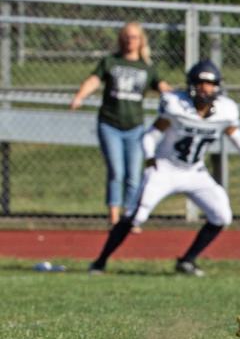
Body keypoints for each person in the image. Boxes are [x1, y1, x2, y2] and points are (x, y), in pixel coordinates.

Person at [87, 60, 240, 276]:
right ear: (192, 85)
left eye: (210, 83)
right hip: (165, 168)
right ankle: (100, 262)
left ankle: (187, 261)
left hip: (195, 171)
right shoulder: (176, 105)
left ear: (217, 87)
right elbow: (150, 135)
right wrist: (150, 157)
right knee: (136, 215)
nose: (206, 88)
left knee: (222, 215)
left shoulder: (226, 111)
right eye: (201, 83)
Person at [70, 22, 172, 227]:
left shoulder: (146, 67)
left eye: (134, 37)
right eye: (126, 37)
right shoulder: (111, 62)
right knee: (117, 171)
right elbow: (94, 80)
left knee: (134, 174)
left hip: (134, 127)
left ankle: (130, 217)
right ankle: (114, 218)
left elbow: (163, 87)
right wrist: (79, 96)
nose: (130, 41)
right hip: (110, 123)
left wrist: (180, 101)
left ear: (140, 41)